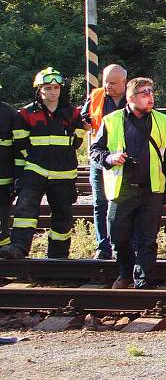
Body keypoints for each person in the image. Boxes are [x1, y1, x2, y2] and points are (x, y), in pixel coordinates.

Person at [90, 78, 166, 289]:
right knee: (118, 237)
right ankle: (125, 273)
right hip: (122, 190)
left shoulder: (163, 121)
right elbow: (95, 151)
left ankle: (143, 282)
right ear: (131, 98)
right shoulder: (111, 120)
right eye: (144, 93)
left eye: (151, 92)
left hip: (152, 190)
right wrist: (110, 158)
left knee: (147, 240)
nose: (150, 97)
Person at [0, 68, 85, 260]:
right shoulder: (26, 114)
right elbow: (20, 144)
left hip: (64, 174)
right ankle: (18, 248)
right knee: (25, 210)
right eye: (48, 88)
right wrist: (22, 171)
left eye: (56, 87)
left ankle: (58, 257)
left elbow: (77, 142)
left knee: (62, 217)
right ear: (40, 90)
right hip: (34, 170)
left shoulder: (72, 114)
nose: (53, 91)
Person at [81, 64, 127, 259]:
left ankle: (123, 246)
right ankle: (103, 247)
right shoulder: (96, 96)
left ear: (124, 82)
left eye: (113, 83)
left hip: (124, 160)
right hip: (99, 158)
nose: (108, 86)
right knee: (100, 203)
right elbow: (83, 119)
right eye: (105, 81)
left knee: (123, 203)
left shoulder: (133, 96)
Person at [0, 90, 15, 249]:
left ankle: (3, 244)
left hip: (3, 176)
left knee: (3, 210)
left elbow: (18, 144)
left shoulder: (8, 112)